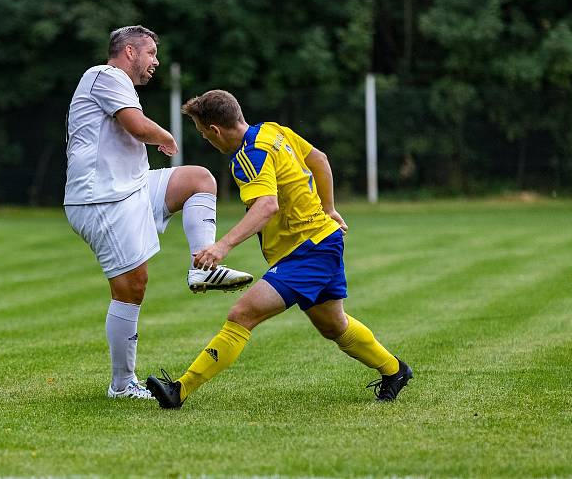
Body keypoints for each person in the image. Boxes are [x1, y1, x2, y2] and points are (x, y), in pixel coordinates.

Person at [146, 89, 412, 408]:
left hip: (306, 251)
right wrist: (328, 208)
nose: (208, 141)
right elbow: (319, 160)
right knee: (333, 325)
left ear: (215, 130)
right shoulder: (273, 131)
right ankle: (396, 371)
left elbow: (266, 206)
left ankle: (179, 390)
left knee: (241, 314)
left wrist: (221, 246)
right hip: (321, 241)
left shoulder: (248, 157)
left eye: (205, 135)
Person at [63, 27, 253, 400]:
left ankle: (203, 268)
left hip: (131, 187)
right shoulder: (104, 75)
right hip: (99, 198)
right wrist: (164, 135)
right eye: (151, 53)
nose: (156, 62)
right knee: (132, 286)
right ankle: (122, 385)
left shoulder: (117, 83)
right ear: (129, 51)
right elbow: (135, 126)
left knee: (199, 179)